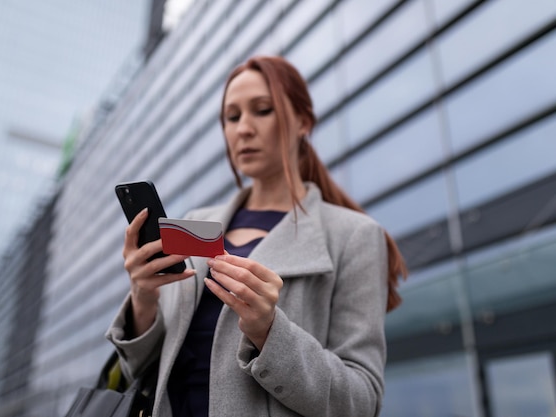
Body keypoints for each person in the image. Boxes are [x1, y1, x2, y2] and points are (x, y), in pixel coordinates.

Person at [106, 55, 408, 417]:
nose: (243, 129)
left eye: (262, 110)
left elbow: (361, 401)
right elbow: (139, 372)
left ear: (303, 122)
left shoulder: (354, 236)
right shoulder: (194, 223)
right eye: (232, 117)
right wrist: (143, 298)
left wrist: (270, 332)